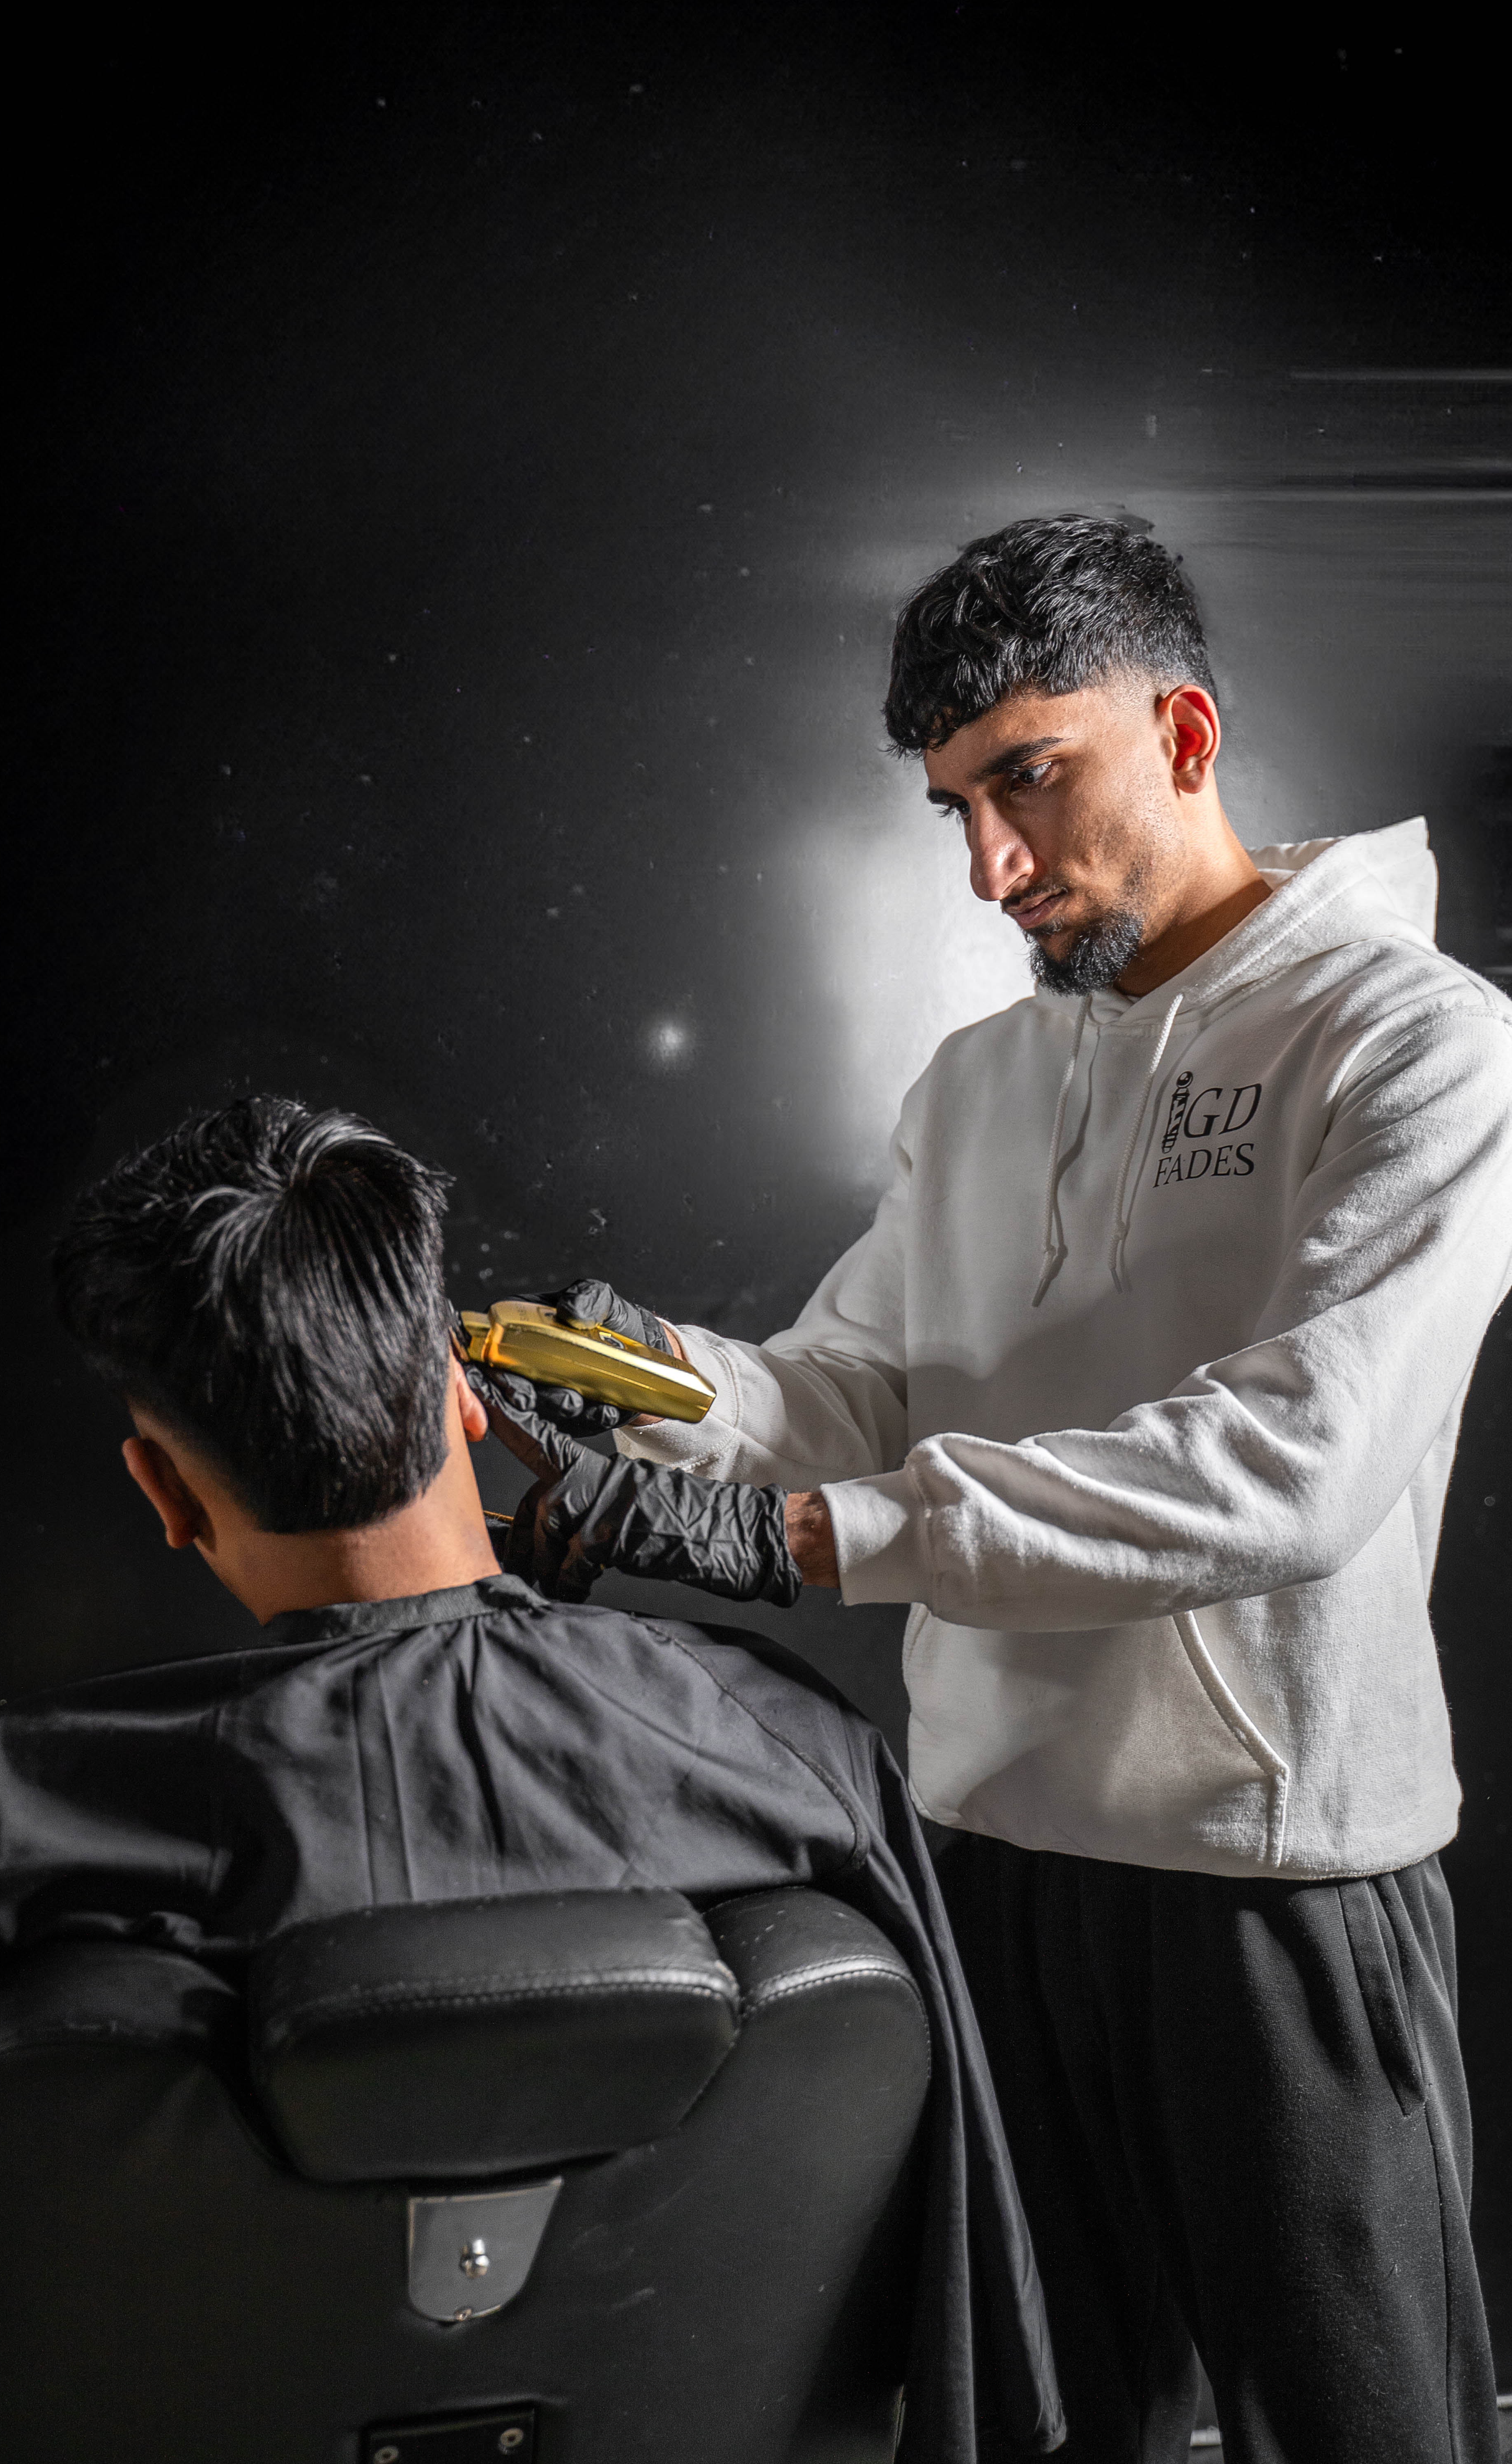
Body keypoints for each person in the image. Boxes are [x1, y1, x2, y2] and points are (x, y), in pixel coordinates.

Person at [488, 517, 1512, 2464]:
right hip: (991, 1865)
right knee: (1033, 2435)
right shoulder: (974, 1081)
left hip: (1270, 1883)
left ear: (1183, 734)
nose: (990, 867)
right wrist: (642, 1387)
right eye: (954, 807)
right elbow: (855, 1393)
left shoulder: (1418, 1048)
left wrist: (801, 1540)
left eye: (1028, 779)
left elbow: (1288, 1466)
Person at [0, 1095, 1060, 2464]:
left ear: (165, 1492)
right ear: (467, 1399)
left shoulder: (9, 1821)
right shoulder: (802, 1752)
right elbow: (966, 2301)